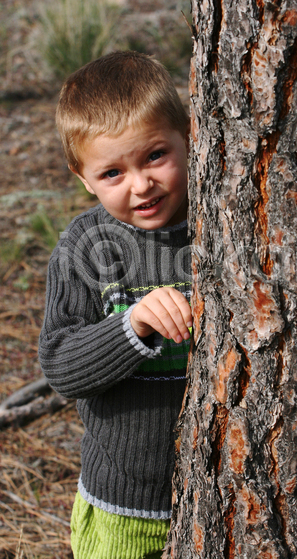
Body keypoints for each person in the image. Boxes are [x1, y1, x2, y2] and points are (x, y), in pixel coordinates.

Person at [38, 51, 193, 559]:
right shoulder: (87, 246)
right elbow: (61, 364)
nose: (140, 184)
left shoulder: (224, 220)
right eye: (111, 173)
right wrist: (134, 324)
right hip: (124, 506)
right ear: (83, 178)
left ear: (190, 136)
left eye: (154, 156)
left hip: (226, 494)